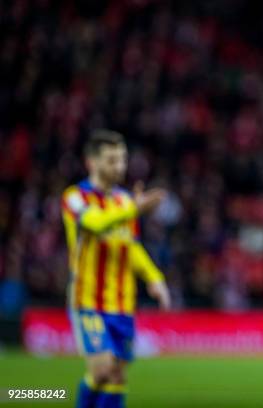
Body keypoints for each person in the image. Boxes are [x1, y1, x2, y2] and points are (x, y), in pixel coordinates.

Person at [61, 129, 170, 408]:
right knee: (101, 370)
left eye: (122, 159)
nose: (119, 166)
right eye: (111, 160)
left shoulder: (123, 200)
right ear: (91, 162)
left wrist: (154, 278)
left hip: (123, 303)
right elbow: (94, 223)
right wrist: (134, 208)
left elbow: (130, 246)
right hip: (88, 301)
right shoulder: (74, 198)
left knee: (117, 375)